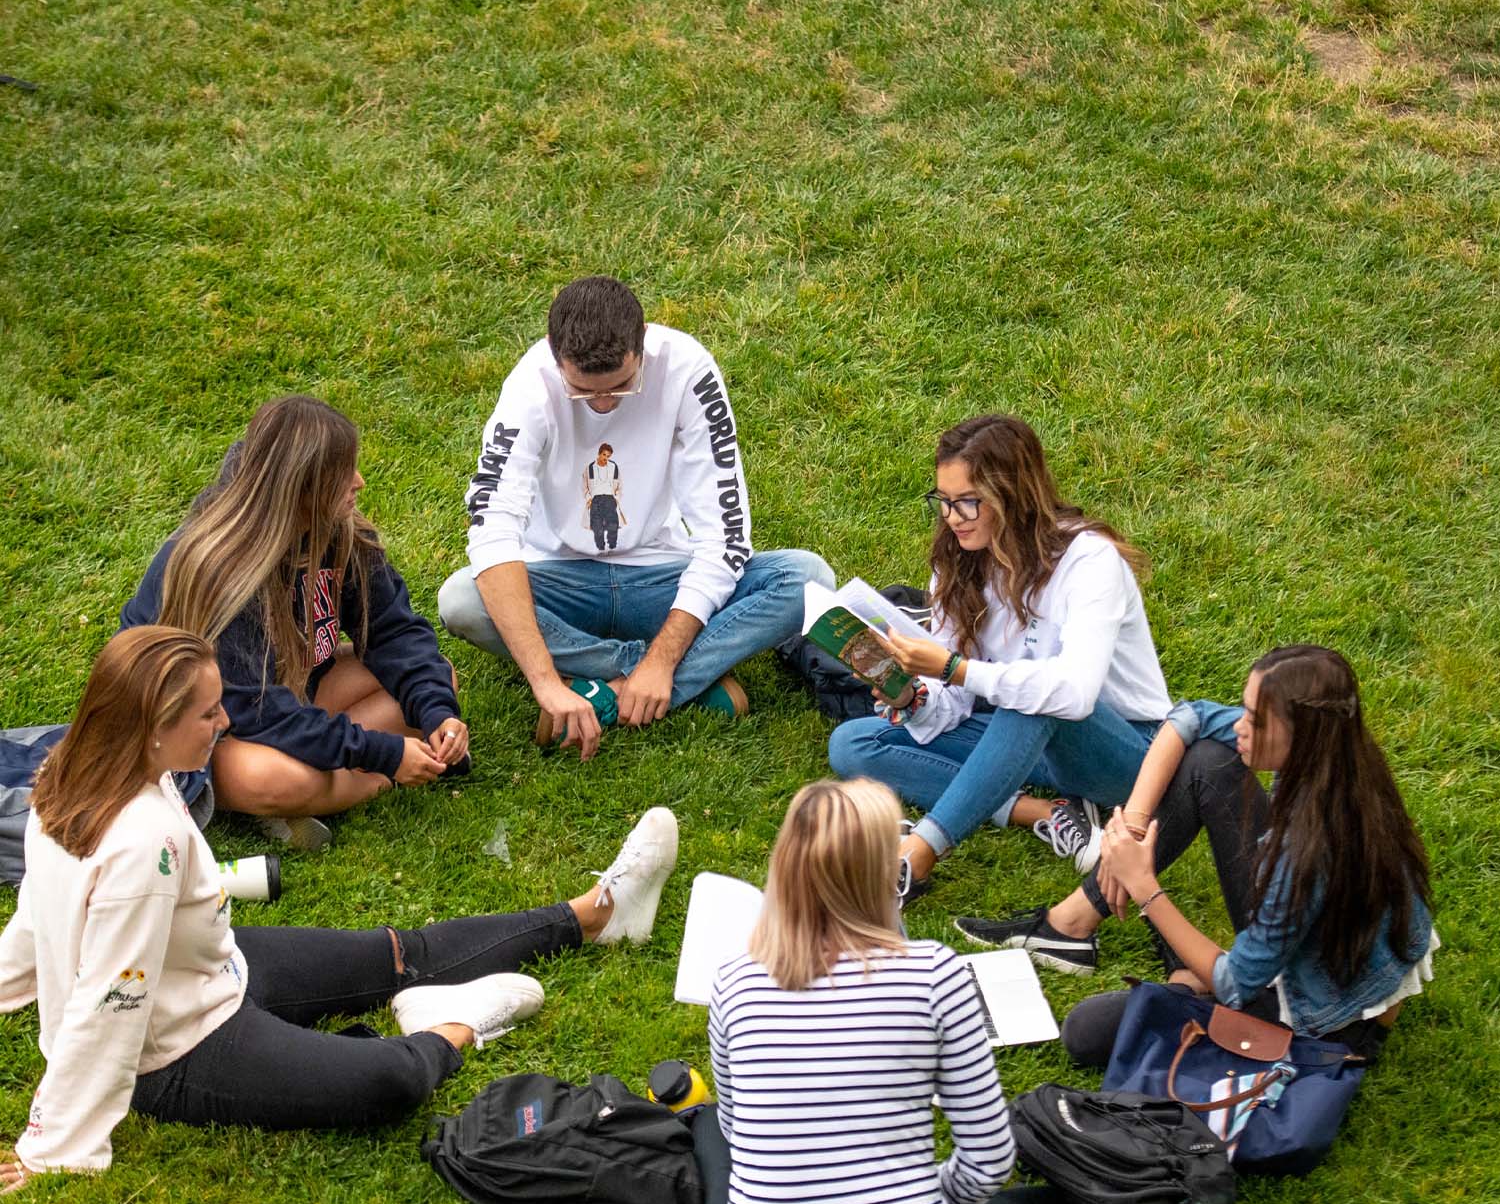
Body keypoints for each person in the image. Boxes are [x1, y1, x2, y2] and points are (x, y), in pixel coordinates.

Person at [0, 626, 680, 1188]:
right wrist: (52, 1146)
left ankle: (594, 913)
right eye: (208, 713)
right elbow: (111, 1007)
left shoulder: (65, 779)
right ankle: (452, 1027)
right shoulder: (141, 845)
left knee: (397, 953)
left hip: (214, 972)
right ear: (151, 729)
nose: (226, 719)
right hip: (176, 1054)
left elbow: (35, 917)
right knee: (387, 1081)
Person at [695, 778, 1129, 1204]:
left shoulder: (735, 982)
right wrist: (929, 1202)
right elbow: (989, 1159)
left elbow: (741, 1135)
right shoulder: (932, 974)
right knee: (1103, 1197)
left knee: (711, 1127)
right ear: (884, 875)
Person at [956, 646, 1436, 1066]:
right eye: (1245, 711)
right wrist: (1135, 823)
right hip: (1335, 959)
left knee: (1086, 1030)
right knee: (1207, 759)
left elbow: (1236, 983)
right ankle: (1070, 927)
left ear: (1302, 733)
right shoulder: (1344, 759)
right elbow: (1195, 717)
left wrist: (1145, 887)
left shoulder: (1306, 850)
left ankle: (1185, 981)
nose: (1241, 728)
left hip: (1322, 1022)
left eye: (1256, 721)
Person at [437, 275, 834, 760]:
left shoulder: (688, 369)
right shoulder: (528, 387)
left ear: (643, 343)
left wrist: (663, 661)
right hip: (560, 580)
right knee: (460, 598)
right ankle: (655, 679)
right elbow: (492, 530)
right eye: (583, 392)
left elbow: (724, 537)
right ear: (554, 354)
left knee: (809, 577)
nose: (603, 404)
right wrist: (543, 681)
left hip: (660, 573)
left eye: (622, 386)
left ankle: (607, 691)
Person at [828, 416, 1170, 904]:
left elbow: (1073, 694)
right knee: (854, 743)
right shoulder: (959, 561)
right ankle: (1042, 811)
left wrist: (953, 667)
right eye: (943, 501)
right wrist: (912, 693)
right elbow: (954, 700)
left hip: (1126, 756)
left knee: (1032, 696)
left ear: (1013, 495)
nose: (952, 516)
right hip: (1028, 746)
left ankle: (917, 855)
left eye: (967, 501)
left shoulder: (1090, 562)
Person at [120, 395, 465, 850]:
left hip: (289, 692)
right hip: (207, 730)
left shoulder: (339, 530)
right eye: (343, 476)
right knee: (273, 776)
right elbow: (253, 711)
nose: (358, 483)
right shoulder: (222, 569)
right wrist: (387, 754)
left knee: (437, 681)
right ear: (299, 491)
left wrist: (437, 713)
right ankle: (337, 786)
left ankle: (324, 784)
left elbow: (393, 631)